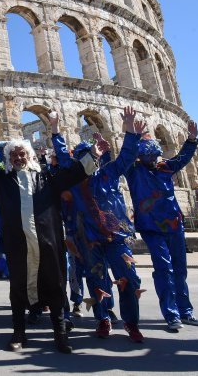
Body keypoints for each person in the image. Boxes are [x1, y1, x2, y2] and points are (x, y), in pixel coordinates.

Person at [0, 115, 98, 355]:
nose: (19, 158)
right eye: (14, 155)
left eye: (22, 154)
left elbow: (74, 173)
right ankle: (18, 333)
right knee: (18, 288)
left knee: (55, 287)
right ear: (9, 160)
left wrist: (92, 153)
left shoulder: (48, 179)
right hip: (18, 246)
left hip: (48, 245)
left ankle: (60, 335)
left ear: (31, 156)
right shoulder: (2, 181)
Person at [54, 107, 147, 342]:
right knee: (97, 279)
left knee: (128, 278)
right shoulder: (74, 180)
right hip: (90, 238)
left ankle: (130, 322)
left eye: (92, 156)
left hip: (116, 236)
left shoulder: (108, 173)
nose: (90, 161)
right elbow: (63, 156)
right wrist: (55, 130)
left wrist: (129, 131)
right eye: (86, 157)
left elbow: (126, 156)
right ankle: (103, 318)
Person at [125, 119, 198, 332]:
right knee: (164, 269)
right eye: (147, 156)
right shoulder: (133, 170)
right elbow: (124, 156)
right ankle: (171, 315)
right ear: (140, 156)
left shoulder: (165, 167)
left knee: (180, 269)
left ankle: (185, 312)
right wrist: (132, 135)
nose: (152, 160)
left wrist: (191, 139)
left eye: (154, 155)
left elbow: (183, 158)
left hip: (174, 224)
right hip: (152, 228)